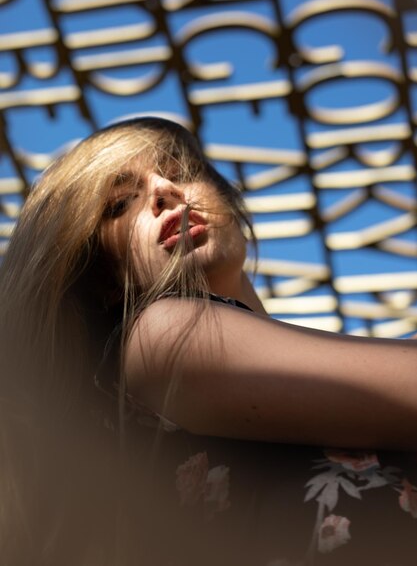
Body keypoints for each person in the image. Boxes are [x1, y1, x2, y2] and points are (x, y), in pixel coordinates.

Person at [0, 116, 416, 566]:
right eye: (121, 204)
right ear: (101, 277)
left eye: (182, 173)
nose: (164, 191)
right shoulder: (160, 335)